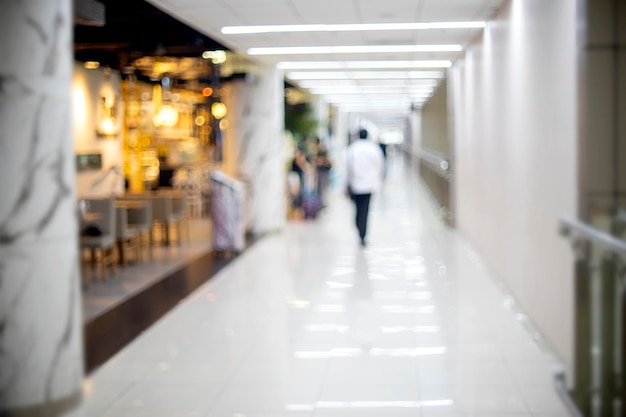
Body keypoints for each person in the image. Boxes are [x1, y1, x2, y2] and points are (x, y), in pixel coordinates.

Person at [345, 128, 385, 246]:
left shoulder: (352, 148)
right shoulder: (374, 149)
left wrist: (347, 182)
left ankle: (359, 228)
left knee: (357, 208)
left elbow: (347, 167)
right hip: (369, 184)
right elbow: (380, 165)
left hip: (356, 183)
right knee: (365, 209)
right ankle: (362, 232)